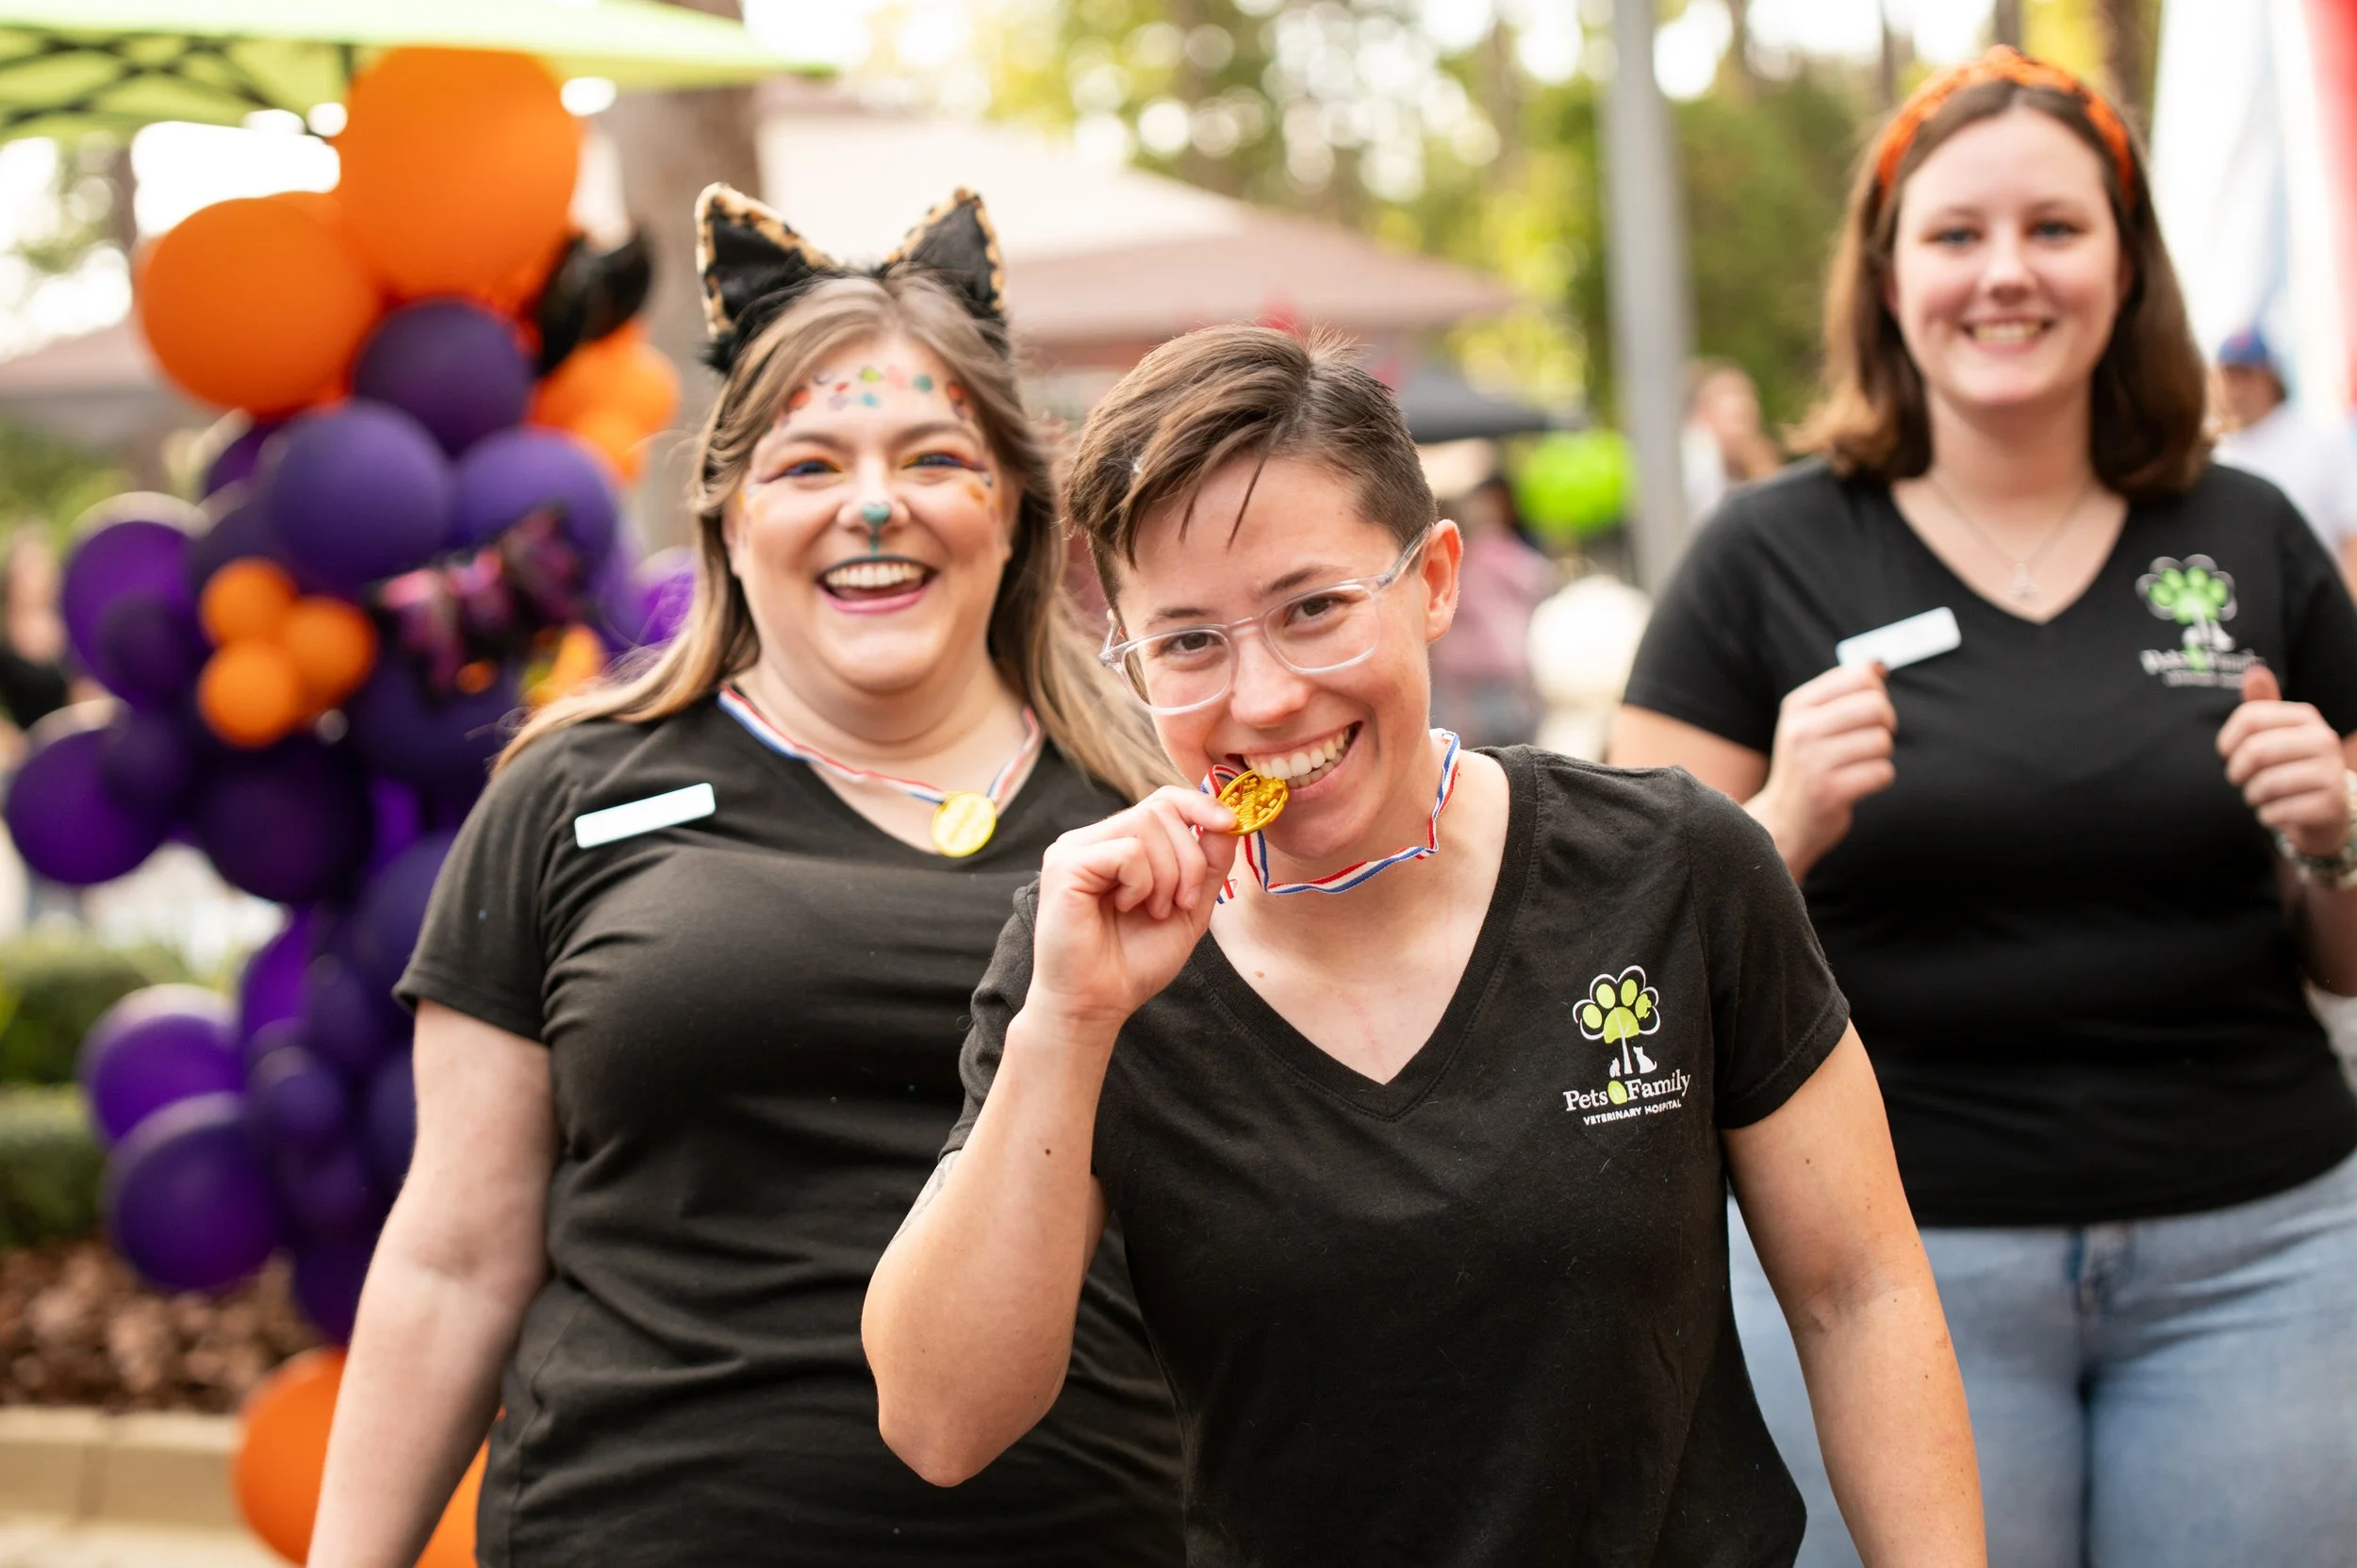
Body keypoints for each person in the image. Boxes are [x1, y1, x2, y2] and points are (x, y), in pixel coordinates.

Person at [864, 323, 1985, 1567]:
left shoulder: (1673, 862)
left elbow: (1857, 1289)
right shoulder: (1092, 952)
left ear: (1435, 578)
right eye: (1187, 641)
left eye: (1315, 608)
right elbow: (939, 1420)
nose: (1268, 693)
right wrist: (1067, 1027)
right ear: (1127, 656)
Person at [306, 187, 1186, 1567]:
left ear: (1015, 504)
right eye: (810, 465)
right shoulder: (567, 788)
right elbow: (453, 1254)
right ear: (725, 514)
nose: (875, 505)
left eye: (932, 455)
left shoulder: (1160, 815)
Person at [1610, 47, 2357, 1568]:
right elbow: (1614, 961)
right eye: (1954, 235)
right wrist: (1778, 826)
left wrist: (2337, 833)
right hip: (1877, 1260)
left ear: (2127, 267)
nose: (2004, 273)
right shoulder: (1766, 552)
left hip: (2263, 1257)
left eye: (2055, 229)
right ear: (1887, 280)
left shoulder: (2252, 533)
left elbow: (2344, 959)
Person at [2211, 325, 2357, 592]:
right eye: (2229, 376)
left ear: (2269, 379)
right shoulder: (2215, 455)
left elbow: (2351, 533)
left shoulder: (2319, 440)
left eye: (2246, 376)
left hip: (2320, 605)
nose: (2237, 389)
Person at [1427, 472, 1553, 747]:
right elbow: (1540, 578)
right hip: (1480, 678)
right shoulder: (1485, 554)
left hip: (1494, 676)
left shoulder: (1490, 552)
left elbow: (1538, 578)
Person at [1682, 358, 1783, 522]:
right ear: (1701, 413)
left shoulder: (1737, 468)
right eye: (1738, 419)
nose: (1747, 433)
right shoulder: (1698, 453)